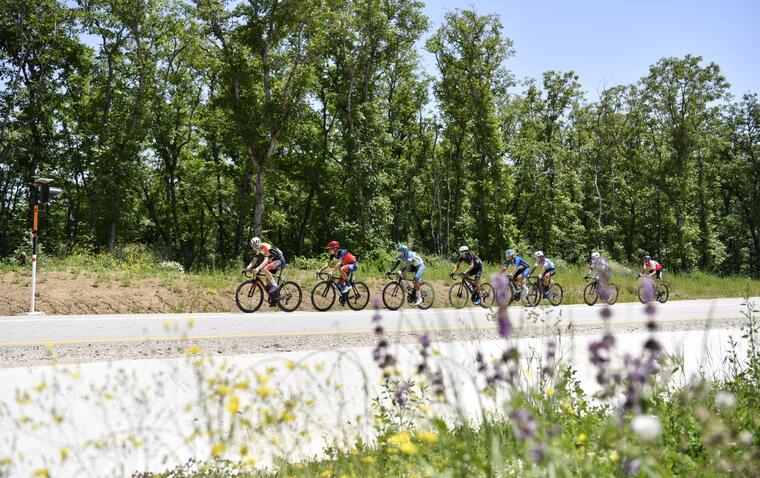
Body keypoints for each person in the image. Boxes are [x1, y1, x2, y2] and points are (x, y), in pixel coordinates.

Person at [242, 237, 287, 304]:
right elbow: (254, 261)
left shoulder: (265, 246)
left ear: (259, 244)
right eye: (254, 247)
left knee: (264, 269)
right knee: (267, 280)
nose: (255, 248)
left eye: (256, 246)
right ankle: (275, 297)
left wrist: (257, 269)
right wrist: (247, 268)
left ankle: (275, 286)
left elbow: (266, 261)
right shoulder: (258, 250)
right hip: (274, 260)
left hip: (280, 260)